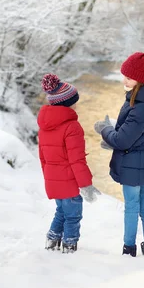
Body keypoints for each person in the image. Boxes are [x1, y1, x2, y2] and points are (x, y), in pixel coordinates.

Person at [94, 43, 144, 257]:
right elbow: (138, 134)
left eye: (128, 77)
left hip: (134, 166)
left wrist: (105, 129)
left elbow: (123, 140)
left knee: (132, 208)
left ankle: (129, 250)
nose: (123, 81)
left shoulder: (141, 107)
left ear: (141, 80)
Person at [38, 73, 101, 253]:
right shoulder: (72, 126)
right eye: (75, 101)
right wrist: (86, 185)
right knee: (73, 216)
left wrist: (49, 178)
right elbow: (77, 159)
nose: (76, 104)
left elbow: (43, 158)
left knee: (61, 212)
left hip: (53, 179)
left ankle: (51, 241)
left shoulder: (44, 126)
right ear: (67, 103)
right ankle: (69, 246)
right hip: (69, 181)